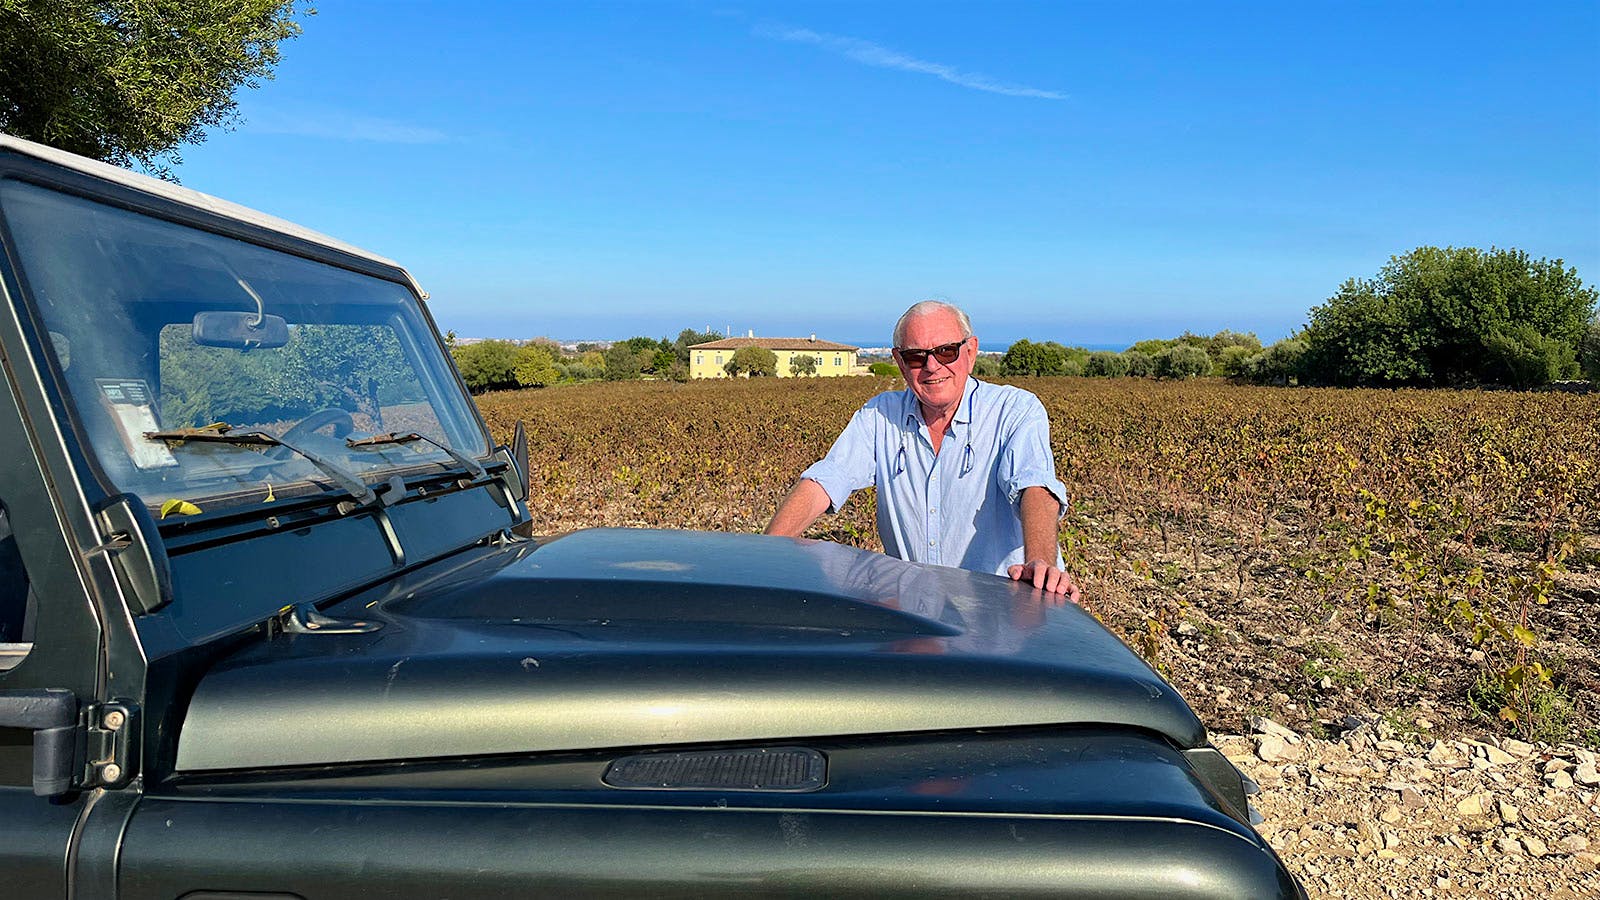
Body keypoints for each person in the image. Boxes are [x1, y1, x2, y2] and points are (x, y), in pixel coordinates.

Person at [764, 300, 1080, 601]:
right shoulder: (880, 416)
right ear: (900, 361)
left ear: (970, 352)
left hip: (1003, 611)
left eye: (946, 351)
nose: (932, 366)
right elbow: (826, 480)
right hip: (918, 615)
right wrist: (763, 554)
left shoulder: (1014, 409)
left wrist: (1040, 562)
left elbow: (1033, 484)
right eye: (916, 356)